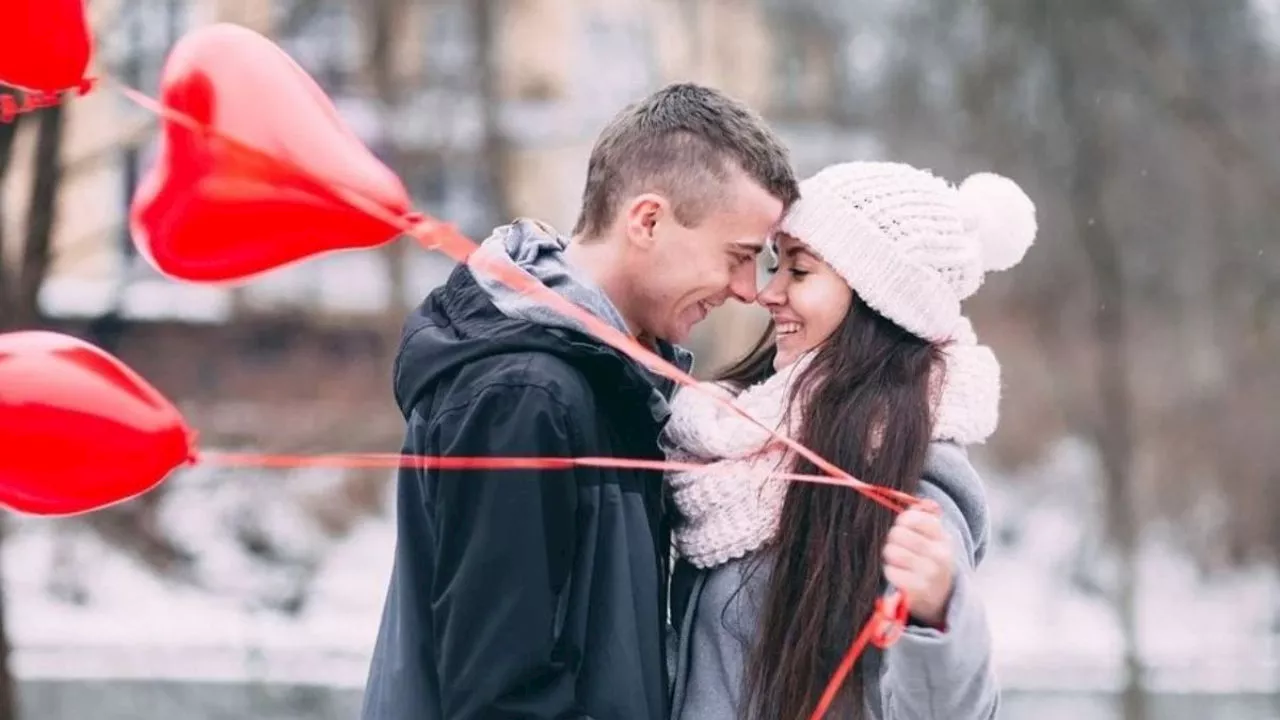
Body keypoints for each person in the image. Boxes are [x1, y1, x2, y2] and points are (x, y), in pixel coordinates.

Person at [360, 83, 798, 720]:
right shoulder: (525, 395)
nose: (746, 290)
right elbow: (500, 698)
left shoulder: (607, 383)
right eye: (738, 257)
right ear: (647, 221)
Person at [664, 161, 1037, 719]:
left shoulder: (909, 475)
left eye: (801, 271)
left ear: (877, 299)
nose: (769, 293)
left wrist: (935, 614)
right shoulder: (732, 447)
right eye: (775, 265)